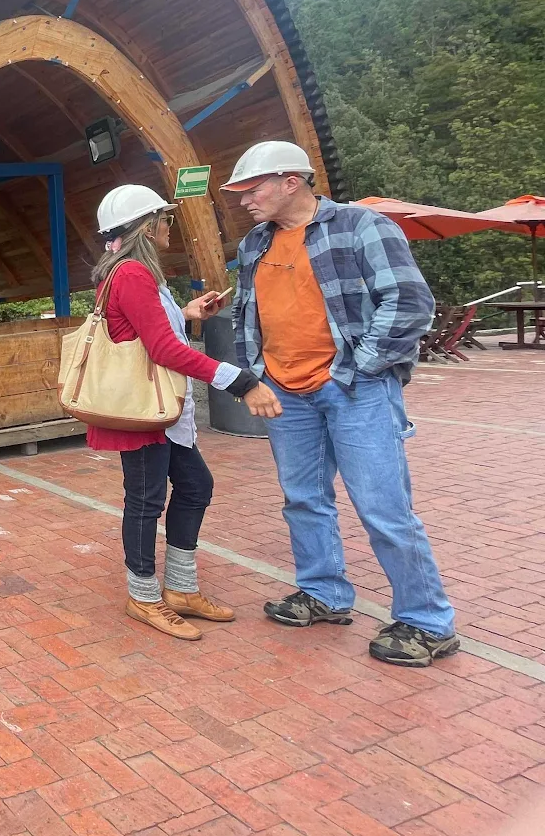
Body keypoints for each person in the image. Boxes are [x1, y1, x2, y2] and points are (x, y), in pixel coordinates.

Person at [223, 141, 457, 668]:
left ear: (291, 182)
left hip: (356, 389)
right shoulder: (254, 243)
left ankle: (428, 621)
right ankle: (323, 594)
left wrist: (357, 366)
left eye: (252, 188)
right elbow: (246, 311)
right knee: (303, 498)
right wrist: (257, 372)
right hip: (285, 393)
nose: (243, 200)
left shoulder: (361, 226)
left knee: (383, 508)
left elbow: (409, 301)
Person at [84, 185, 280, 641]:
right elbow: (164, 349)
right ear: (146, 227)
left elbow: (145, 329)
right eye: (165, 219)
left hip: (160, 408)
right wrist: (240, 381)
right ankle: (143, 596)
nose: (169, 226)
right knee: (146, 500)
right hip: (146, 409)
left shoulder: (132, 272)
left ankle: (180, 589)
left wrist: (187, 312)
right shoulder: (133, 273)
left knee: (194, 486)